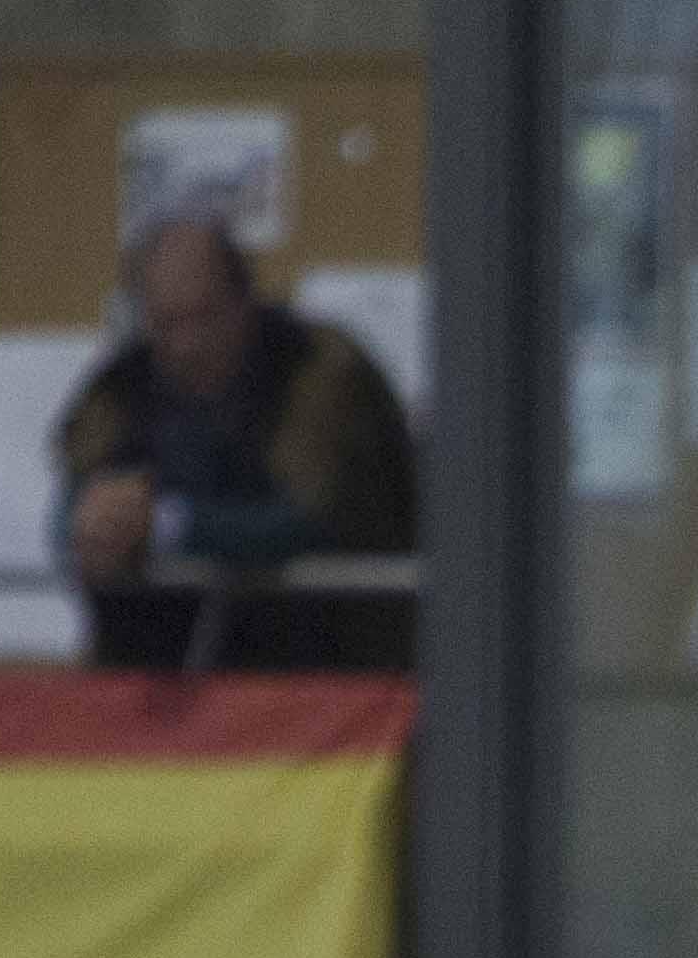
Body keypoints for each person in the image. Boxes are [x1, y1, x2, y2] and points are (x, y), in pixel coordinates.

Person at [49, 199, 420, 673]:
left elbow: (308, 515)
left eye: (205, 317)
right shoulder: (121, 386)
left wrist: (167, 525)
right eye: (167, 323)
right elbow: (76, 498)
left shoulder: (318, 370)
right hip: (160, 679)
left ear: (245, 303)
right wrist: (92, 522)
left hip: (328, 671)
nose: (188, 345)